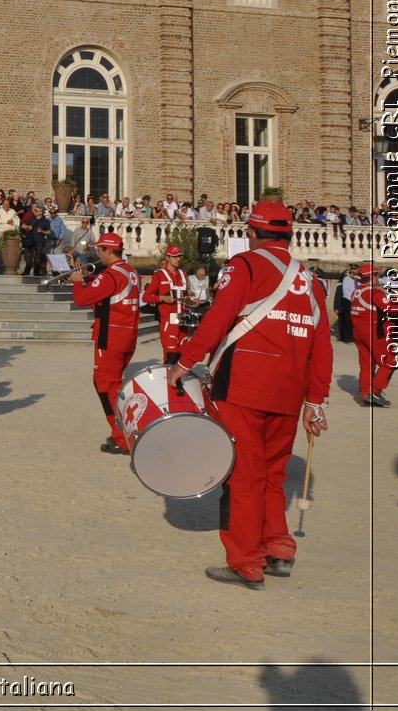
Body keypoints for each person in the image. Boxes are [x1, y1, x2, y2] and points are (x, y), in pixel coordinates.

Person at [168, 200, 332, 589]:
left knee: (243, 474)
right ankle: (278, 548)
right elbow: (321, 345)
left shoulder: (243, 267)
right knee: (274, 474)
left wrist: (185, 362)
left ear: (252, 234)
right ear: (290, 235)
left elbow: (218, 318)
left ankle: (246, 562)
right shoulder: (310, 280)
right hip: (289, 391)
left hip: (244, 384)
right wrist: (316, 401)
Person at [71, 232, 141, 455]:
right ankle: (123, 429)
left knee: (105, 385)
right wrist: (89, 280)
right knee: (114, 385)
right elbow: (109, 293)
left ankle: (122, 437)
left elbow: (82, 299)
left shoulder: (111, 275)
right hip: (126, 335)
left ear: (109, 251)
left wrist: (78, 282)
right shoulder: (130, 272)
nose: (97, 254)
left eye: (100, 250)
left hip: (110, 337)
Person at [350, 264, 398, 406]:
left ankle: (365, 392)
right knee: (390, 361)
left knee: (367, 364)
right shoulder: (375, 293)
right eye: (377, 275)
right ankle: (375, 391)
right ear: (371, 277)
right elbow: (394, 310)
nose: (379, 277)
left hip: (359, 333)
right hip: (373, 332)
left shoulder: (357, 291)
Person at [142, 244, 189, 365]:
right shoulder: (159, 275)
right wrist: (162, 298)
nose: (178, 259)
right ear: (167, 257)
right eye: (174, 256)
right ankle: (168, 383)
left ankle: (179, 383)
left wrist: (191, 299)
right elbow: (146, 297)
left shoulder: (183, 275)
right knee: (171, 357)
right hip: (168, 321)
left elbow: (186, 296)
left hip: (182, 321)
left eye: (179, 256)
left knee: (182, 358)